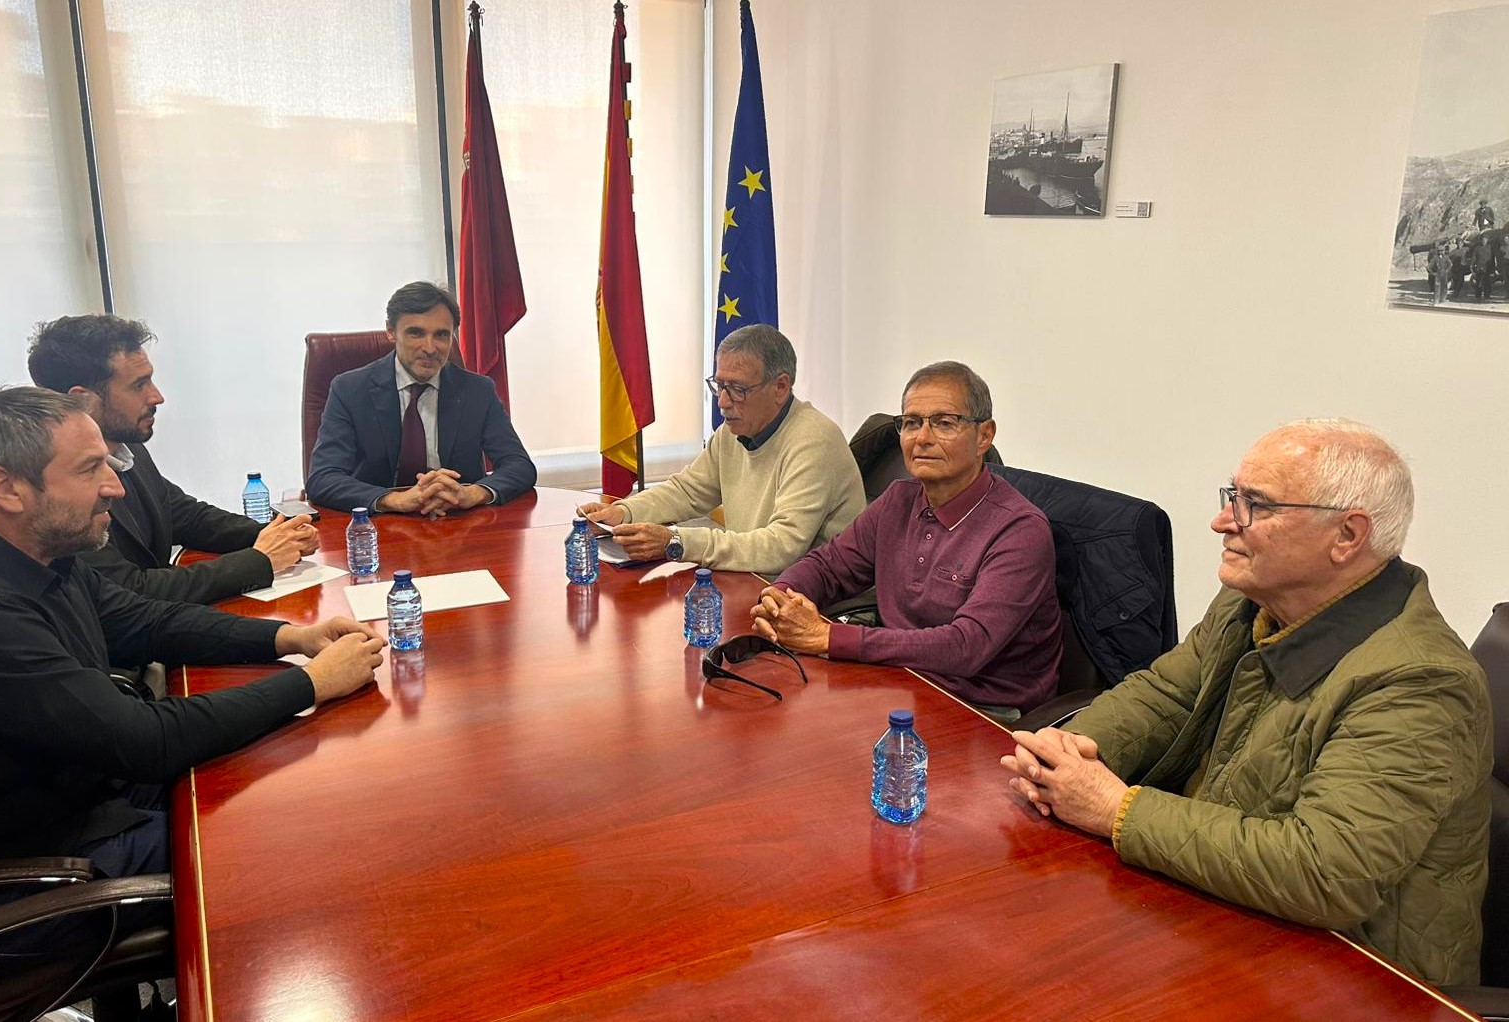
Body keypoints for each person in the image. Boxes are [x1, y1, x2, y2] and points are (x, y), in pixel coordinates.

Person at [999, 419, 1490, 986]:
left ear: (1348, 536)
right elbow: (1164, 695)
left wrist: (1115, 809)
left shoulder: (1420, 680)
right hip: (1223, 908)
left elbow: (1326, 872)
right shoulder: (1250, 600)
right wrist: (1068, 753)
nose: (1222, 521)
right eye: (1233, 495)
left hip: (1354, 976)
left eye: (1255, 504)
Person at [0, 387, 387, 878]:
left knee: (303, 774)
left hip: (92, 791)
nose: (114, 486)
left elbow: (147, 620)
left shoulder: (38, 550)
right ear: (6, 489)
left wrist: (290, 638)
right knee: (292, 833)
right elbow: (147, 740)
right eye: (88, 468)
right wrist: (313, 683)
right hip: (36, 863)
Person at [751, 361, 1062, 715]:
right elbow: (829, 566)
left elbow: (966, 647)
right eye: (912, 422)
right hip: (898, 680)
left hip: (982, 711)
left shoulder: (1020, 531)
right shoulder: (899, 499)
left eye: (944, 423)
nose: (922, 438)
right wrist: (780, 599)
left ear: (984, 436)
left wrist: (828, 637)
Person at [27, 314, 318, 604]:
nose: (157, 397)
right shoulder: (51, 489)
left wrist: (277, 534)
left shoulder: (127, 447)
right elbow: (131, 590)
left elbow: (186, 516)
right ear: (82, 400)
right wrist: (260, 559)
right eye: (138, 385)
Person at [579, 324, 864, 574]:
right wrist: (623, 512)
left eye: (738, 389)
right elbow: (687, 491)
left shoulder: (814, 440)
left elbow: (782, 546)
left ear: (780, 387)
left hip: (813, 601)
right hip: (754, 580)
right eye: (719, 386)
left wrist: (676, 542)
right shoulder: (732, 433)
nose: (723, 402)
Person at [306, 281, 536, 513]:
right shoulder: (349, 390)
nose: (430, 347)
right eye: (416, 333)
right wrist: (393, 500)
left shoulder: (477, 391)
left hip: (458, 524)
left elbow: (519, 466)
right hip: (381, 528)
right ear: (390, 331)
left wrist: (473, 493)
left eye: (441, 335)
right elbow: (323, 478)